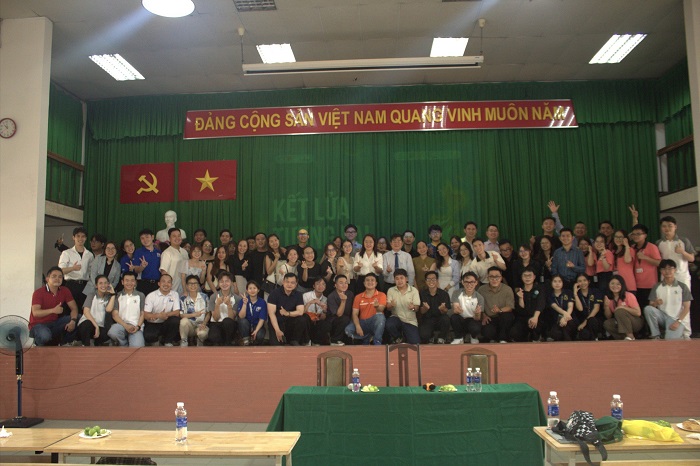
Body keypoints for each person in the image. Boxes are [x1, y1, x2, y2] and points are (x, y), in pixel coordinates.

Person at [29, 266, 80, 346]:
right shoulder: (38, 292)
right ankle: (38, 345)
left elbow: (74, 308)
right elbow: (35, 313)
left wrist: (73, 321)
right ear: (47, 279)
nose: (57, 279)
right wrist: (52, 310)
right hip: (38, 325)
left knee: (79, 318)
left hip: (55, 323)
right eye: (54, 276)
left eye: (60, 277)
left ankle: (65, 343)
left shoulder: (64, 290)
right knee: (45, 336)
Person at [644, 259, 692, 340]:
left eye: (670, 269)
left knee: (670, 341)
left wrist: (678, 321)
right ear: (661, 271)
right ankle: (656, 335)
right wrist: (655, 303)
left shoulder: (682, 286)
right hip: (662, 317)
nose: (667, 271)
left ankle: (677, 334)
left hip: (676, 319)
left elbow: (686, 307)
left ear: (675, 270)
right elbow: (651, 306)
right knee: (648, 309)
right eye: (664, 269)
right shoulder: (657, 286)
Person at [58, 226, 94, 310]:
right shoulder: (66, 253)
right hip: (71, 285)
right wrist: (72, 268)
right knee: (69, 310)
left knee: (84, 310)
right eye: (78, 236)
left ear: (86, 238)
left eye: (83, 236)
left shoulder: (89, 255)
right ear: (73, 237)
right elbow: (60, 271)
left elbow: (91, 273)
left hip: (85, 285)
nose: (80, 238)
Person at [656, 216, 695, 291]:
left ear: (675, 227)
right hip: (665, 276)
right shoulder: (658, 243)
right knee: (666, 297)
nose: (667, 228)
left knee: (684, 298)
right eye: (664, 226)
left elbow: (692, 259)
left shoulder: (684, 241)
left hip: (682, 276)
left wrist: (682, 252)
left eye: (670, 226)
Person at [345, 273, 387, 345]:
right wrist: (358, 326)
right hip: (362, 322)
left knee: (380, 316)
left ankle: (377, 342)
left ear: (376, 283)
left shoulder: (381, 295)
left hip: (374, 322)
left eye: (372, 280)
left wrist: (377, 307)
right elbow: (355, 314)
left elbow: (381, 310)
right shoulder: (358, 297)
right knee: (348, 330)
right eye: (367, 280)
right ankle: (367, 337)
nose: (370, 282)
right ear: (364, 283)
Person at [267, 273, 307, 345]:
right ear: (283, 282)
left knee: (302, 319)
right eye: (287, 282)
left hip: (290, 322)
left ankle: (294, 340)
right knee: (276, 345)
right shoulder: (274, 293)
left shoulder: (298, 295)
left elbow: (300, 312)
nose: (289, 284)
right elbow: (271, 313)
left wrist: (287, 313)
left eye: (292, 283)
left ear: (296, 284)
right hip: (277, 322)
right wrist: (277, 330)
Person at [108, 272, 145, 347]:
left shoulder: (140, 295)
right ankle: (124, 344)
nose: (129, 283)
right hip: (121, 325)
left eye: (132, 280)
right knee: (113, 332)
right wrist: (126, 326)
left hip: (135, 326)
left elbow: (142, 313)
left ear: (135, 282)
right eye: (127, 280)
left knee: (137, 346)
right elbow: (115, 315)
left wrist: (138, 327)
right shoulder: (118, 295)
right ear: (122, 282)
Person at [478, 267, 515, 343]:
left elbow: (510, 307)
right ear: (487, 278)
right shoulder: (481, 290)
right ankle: (493, 339)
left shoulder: (507, 289)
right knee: (487, 331)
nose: (494, 279)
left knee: (507, 316)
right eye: (491, 277)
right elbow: (479, 306)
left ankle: (503, 339)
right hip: (490, 318)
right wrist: (484, 316)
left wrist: (499, 310)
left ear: (501, 278)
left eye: (497, 277)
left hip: (502, 317)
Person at [143, 274, 181, 346]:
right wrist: (158, 315)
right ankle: (157, 341)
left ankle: (168, 341)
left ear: (171, 285)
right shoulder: (151, 296)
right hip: (154, 323)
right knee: (148, 336)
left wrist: (165, 315)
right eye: (163, 281)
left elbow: (177, 312)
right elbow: (146, 315)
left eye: (168, 282)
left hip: (167, 322)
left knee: (175, 320)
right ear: (159, 283)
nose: (166, 284)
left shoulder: (175, 294)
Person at [77, 275, 115, 346]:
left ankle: (95, 345)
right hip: (88, 324)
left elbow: (108, 309)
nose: (103, 285)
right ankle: (86, 346)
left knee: (105, 333)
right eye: (100, 283)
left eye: (105, 283)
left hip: (101, 326)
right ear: (96, 285)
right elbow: (86, 312)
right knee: (87, 324)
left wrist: (113, 294)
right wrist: (96, 326)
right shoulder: (91, 295)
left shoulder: (109, 298)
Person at [385, 269, 421, 344]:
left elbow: (417, 308)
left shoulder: (414, 290)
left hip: (410, 321)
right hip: (396, 318)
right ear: (394, 280)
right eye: (397, 279)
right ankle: (398, 337)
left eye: (401, 278)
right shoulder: (391, 290)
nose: (399, 281)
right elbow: (388, 308)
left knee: (415, 343)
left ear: (406, 279)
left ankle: (404, 336)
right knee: (389, 324)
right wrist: (391, 305)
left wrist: (413, 307)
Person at [629, 223, 661, 307]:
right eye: (634, 234)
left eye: (638, 234)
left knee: (648, 309)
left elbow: (659, 263)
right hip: (635, 285)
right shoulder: (632, 248)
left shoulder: (652, 247)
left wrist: (645, 257)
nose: (636, 236)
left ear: (645, 235)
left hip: (649, 285)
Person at [510, 268, 545, 342]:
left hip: (537, 317)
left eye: (529, 275)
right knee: (514, 333)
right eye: (525, 276)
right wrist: (520, 298)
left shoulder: (540, 289)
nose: (527, 278)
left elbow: (541, 304)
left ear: (534, 277)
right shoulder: (519, 291)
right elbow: (520, 310)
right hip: (522, 318)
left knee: (536, 329)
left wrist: (535, 317)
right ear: (521, 277)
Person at [603, 276, 643, 340]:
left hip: (635, 322)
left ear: (622, 285)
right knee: (607, 323)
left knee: (620, 311)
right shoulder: (609, 298)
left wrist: (622, 307)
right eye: (612, 283)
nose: (615, 286)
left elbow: (638, 313)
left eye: (618, 284)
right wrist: (606, 306)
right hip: (620, 322)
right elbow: (608, 317)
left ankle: (630, 336)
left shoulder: (628, 295)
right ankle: (624, 339)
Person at [205, 271, 239, 346]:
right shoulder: (213, 297)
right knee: (213, 337)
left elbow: (232, 318)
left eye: (227, 281)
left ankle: (228, 343)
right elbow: (216, 318)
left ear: (231, 283)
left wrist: (229, 305)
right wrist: (217, 305)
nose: (224, 284)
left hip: (229, 324)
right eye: (221, 281)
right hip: (216, 323)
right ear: (218, 283)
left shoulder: (236, 298)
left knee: (227, 321)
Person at [451, 272, 484, 344]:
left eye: (472, 282)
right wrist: (457, 310)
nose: (469, 284)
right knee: (454, 317)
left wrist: (477, 314)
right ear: (462, 282)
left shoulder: (480, 297)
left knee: (475, 326)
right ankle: (459, 338)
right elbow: (455, 308)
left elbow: (478, 318)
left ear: (476, 283)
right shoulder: (456, 293)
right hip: (461, 318)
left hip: (472, 319)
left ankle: (473, 337)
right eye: (466, 282)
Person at [179, 274, 209, 347]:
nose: (193, 285)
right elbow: (181, 315)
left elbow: (208, 313)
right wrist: (193, 315)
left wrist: (204, 323)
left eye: (195, 283)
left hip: (201, 324)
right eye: (190, 283)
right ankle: (184, 340)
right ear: (186, 286)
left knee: (202, 334)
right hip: (190, 325)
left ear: (198, 285)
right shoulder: (183, 298)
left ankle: (200, 340)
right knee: (183, 321)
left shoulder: (204, 297)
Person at [572, 273, 603, 341]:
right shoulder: (577, 294)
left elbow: (596, 308)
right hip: (582, 320)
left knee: (592, 320)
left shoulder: (596, 291)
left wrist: (585, 323)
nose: (583, 283)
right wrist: (575, 293)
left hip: (595, 319)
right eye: (580, 281)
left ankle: (595, 339)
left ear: (588, 281)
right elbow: (580, 309)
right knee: (584, 334)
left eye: (584, 280)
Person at [132, 228, 162, 296]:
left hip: (157, 284)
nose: (145, 240)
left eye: (147, 237)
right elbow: (136, 270)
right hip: (144, 284)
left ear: (152, 237)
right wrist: (142, 267)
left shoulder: (159, 252)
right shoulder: (138, 252)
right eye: (142, 238)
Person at [326, 274, 354, 346]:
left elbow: (352, 310)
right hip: (334, 321)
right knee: (344, 319)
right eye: (341, 283)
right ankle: (334, 340)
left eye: (346, 283)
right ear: (335, 285)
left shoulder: (350, 294)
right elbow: (339, 314)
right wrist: (343, 301)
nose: (344, 285)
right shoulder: (331, 296)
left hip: (347, 320)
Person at [546, 275, 576, 341]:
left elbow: (570, 306)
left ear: (562, 283)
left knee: (566, 327)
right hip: (556, 320)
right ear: (551, 283)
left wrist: (565, 318)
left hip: (569, 319)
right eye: (555, 281)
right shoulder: (549, 295)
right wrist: (565, 314)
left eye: (559, 281)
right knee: (555, 333)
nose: (557, 284)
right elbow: (555, 307)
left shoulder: (568, 292)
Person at [237, 280, 268, 345]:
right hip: (246, 326)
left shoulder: (262, 302)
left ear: (258, 290)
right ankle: (246, 341)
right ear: (247, 290)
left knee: (259, 335)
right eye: (250, 288)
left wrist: (256, 330)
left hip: (257, 325)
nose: (252, 290)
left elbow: (262, 319)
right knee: (243, 321)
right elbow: (241, 316)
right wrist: (245, 304)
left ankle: (255, 343)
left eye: (254, 288)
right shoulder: (243, 300)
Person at [160, 228, 189, 295]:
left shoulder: (184, 252)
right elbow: (164, 271)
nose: (177, 238)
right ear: (169, 239)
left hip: (185, 287)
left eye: (179, 236)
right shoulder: (167, 253)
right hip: (173, 287)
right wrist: (167, 286)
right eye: (174, 236)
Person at [303, 277, 330, 345]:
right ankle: (306, 341)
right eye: (318, 284)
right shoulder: (306, 295)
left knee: (324, 324)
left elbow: (322, 317)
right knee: (304, 319)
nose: (320, 286)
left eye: (323, 284)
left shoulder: (325, 299)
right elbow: (302, 312)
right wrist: (310, 303)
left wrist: (324, 311)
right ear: (313, 286)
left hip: (317, 321)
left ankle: (316, 342)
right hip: (307, 319)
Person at [612, 229, 637, 293]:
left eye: (620, 237)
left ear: (625, 238)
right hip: (616, 285)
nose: (618, 239)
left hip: (628, 283)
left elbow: (627, 260)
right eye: (616, 237)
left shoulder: (630, 249)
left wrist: (627, 246)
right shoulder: (613, 251)